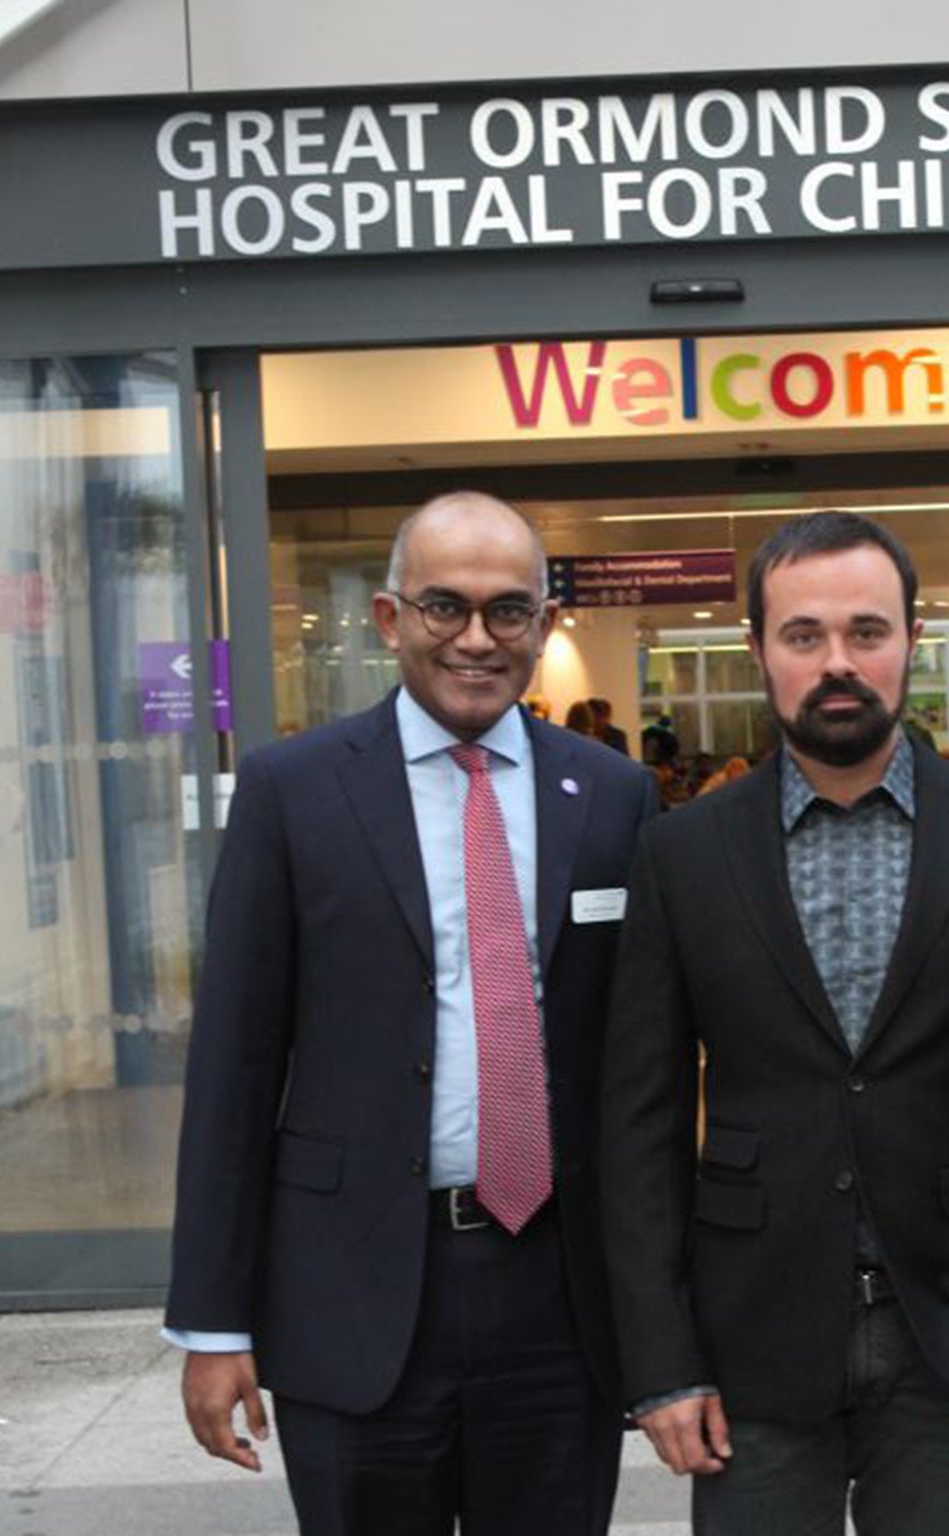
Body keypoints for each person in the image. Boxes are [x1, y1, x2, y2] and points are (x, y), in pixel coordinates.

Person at [600, 511, 949, 1535]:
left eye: (865, 632)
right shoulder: (683, 854)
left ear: (911, 642)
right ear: (756, 649)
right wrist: (659, 1361)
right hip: (748, 1342)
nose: (836, 662)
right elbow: (637, 1121)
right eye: (803, 636)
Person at [163, 491, 660, 1536]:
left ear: (543, 625)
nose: (476, 639)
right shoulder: (292, 790)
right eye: (444, 607)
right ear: (390, 620)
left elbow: (646, 1063)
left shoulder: (613, 797)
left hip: (558, 1300)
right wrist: (211, 1323)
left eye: (508, 611)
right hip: (351, 1291)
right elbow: (234, 1068)